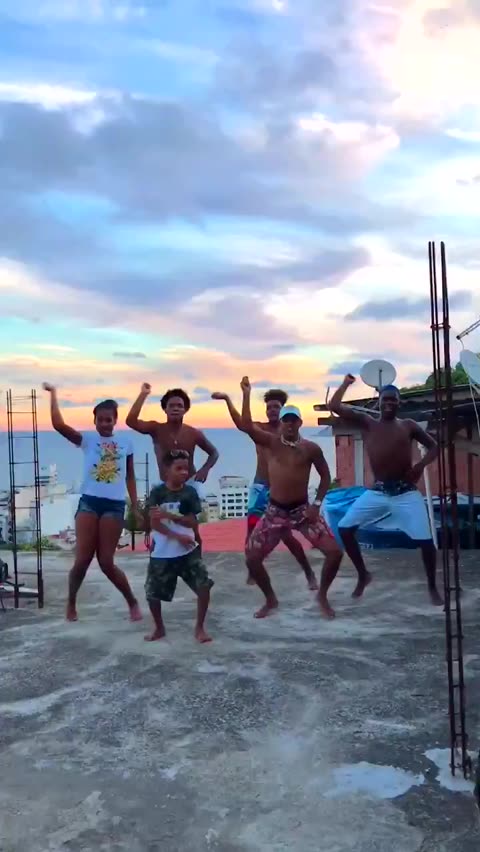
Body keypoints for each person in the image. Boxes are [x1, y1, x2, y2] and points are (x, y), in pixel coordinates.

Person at [329, 374, 442, 606]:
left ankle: (432, 587)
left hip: (406, 493)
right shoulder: (368, 423)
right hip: (378, 493)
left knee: (426, 542)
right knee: (345, 529)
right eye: (385, 399)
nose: (389, 403)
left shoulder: (407, 426)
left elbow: (434, 446)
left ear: (399, 403)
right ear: (378, 402)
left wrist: (420, 466)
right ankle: (363, 575)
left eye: (393, 399)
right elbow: (335, 406)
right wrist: (346, 384)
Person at [239, 377, 344, 619]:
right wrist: (246, 393)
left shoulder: (310, 448)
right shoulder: (271, 442)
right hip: (274, 511)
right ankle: (271, 599)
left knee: (335, 553)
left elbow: (326, 477)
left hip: (302, 511)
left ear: (299, 422)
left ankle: (322, 596)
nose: (288, 423)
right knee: (252, 559)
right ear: (282, 422)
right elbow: (246, 425)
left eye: (292, 420)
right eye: (285, 420)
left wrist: (317, 504)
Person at [43, 383, 143, 623]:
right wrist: (54, 394)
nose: (105, 423)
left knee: (106, 562)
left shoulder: (126, 443)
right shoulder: (87, 440)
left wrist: (135, 504)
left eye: (109, 420)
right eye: (100, 420)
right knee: (82, 561)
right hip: (89, 503)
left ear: (115, 420)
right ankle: (71, 602)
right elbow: (59, 425)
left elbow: (130, 476)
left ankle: (131, 601)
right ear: (95, 420)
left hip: (114, 506)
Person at [211, 388, 317, 589]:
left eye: (276, 407)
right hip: (260, 486)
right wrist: (230, 398)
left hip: (280, 491)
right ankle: (253, 570)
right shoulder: (259, 429)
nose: (272, 411)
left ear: (283, 410)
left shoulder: (289, 434)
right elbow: (241, 423)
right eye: (269, 408)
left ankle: (308, 572)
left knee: (285, 535)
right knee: (251, 529)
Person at [126, 384, 219, 551]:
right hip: (165, 484)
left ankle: (195, 556)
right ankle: (159, 554)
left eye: (179, 405)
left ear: (185, 409)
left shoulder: (193, 433)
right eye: (171, 405)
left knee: (192, 525)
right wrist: (143, 394)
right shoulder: (156, 429)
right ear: (165, 409)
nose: (175, 408)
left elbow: (214, 453)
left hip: (189, 483)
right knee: (155, 521)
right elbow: (131, 421)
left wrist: (205, 469)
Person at [144, 450, 214, 643]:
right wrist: (176, 536)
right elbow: (154, 523)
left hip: (188, 550)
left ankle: (200, 628)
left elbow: (192, 522)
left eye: (186, 468)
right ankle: (159, 628)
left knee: (204, 586)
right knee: (152, 593)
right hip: (162, 552)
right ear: (167, 470)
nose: (184, 472)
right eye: (179, 468)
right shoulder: (157, 493)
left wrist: (169, 516)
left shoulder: (190, 493)